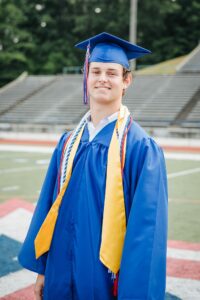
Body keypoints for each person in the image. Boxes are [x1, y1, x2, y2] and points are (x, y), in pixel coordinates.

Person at [18, 32, 168, 300]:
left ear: (126, 81)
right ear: (86, 78)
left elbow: (147, 232)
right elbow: (48, 207)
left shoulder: (140, 148)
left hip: (105, 277)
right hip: (60, 270)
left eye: (112, 73)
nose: (102, 78)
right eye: (95, 70)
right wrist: (43, 270)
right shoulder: (68, 143)